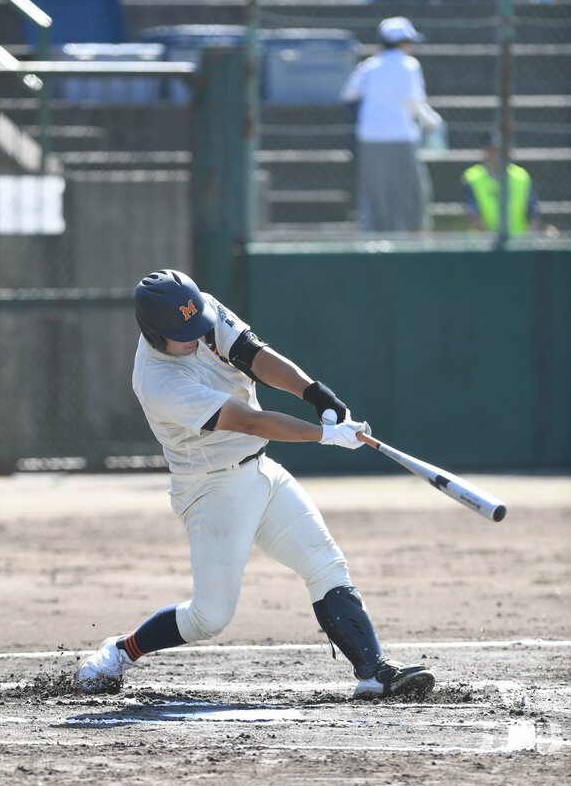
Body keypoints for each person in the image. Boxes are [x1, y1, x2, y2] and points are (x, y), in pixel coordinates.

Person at [74, 269, 435, 700]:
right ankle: (122, 650)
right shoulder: (159, 381)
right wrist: (324, 435)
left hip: (261, 472)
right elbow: (247, 420)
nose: (197, 336)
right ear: (155, 335)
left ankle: (373, 671)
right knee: (210, 616)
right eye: (184, 333)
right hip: (211, 492)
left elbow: (255, 356)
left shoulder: (199, 313)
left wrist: (316, 394)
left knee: (326, 564)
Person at [340, 16, 442, 233]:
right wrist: (431, 121)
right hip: (401, 138)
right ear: (404, 42)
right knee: (410, 194)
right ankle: (410, 236)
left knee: (375, 193)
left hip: (369, 138)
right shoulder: (409, 65)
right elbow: (413, 101)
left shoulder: (369, 65)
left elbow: (349, 93)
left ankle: (375, 238)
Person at [462, 132, 540, 234]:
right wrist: (491, 243)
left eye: (505, 149)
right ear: (486, 151)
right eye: (496, 150)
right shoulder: (472, 177)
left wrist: (526, 243)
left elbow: (533, 216)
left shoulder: (522, 177)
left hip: (518, 243)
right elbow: (473, 216)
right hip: (482, 245)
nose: (502, 154)